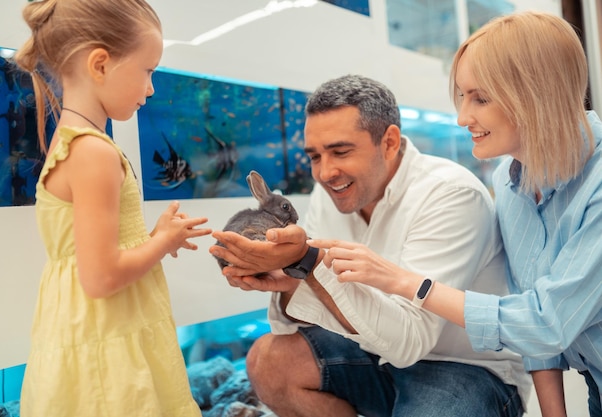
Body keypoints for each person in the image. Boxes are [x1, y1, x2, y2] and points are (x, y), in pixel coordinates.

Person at [307, 11, 602, 417]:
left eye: (480, 98)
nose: (463, 117)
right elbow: (535, 329)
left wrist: (406, 282)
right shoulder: (512, 182)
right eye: (462, 97)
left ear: (535, 93)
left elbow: (546, 322)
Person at [210, 74, 531, 417]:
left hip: (462, 366)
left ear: (390, 142)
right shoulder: (329, 192)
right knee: (268, 360)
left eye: (341, 151)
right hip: (369, 350)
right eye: (315, 156)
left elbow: (411, 341)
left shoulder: (450, 194)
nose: (325, 172)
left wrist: (308, 265)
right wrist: (287, 278)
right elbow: (296, 320)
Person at [13, 1, 212, 415]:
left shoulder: (70, 142)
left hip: (90, 325)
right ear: (100, 65)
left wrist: (153, 235)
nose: (151, 88)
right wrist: (162, 241)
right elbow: (101, 277)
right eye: (147, 71)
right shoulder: (93, 154)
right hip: (107, 334)